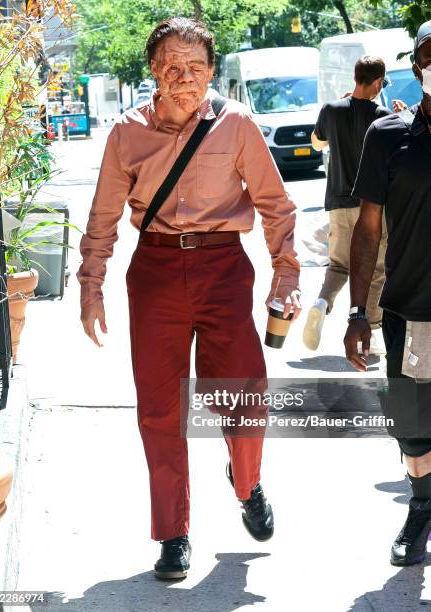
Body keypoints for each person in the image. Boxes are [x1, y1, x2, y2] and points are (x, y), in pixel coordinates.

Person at [76, 17, 301, 580]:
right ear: (153, 70)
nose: (184, 79)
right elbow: (103, 217)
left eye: (196, 68)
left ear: (211, 71)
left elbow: (276, 207)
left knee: (246, 396)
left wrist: (286, 274)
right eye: (172, 67)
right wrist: (90, 284)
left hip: (224, 267)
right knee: (161, 411)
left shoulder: (238, 126)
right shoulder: (126, 133)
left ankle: (246, 482)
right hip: (153, 272)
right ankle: (173, 533)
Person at [344, 20, 431, 566]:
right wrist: (358, 312)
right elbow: (368, 227)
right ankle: (421, 508)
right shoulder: (388, 136)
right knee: (413, 426)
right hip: (411, 309)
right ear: (417, 65)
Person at [303, 56, 391, 353]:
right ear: (377, 82)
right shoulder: (381, 114)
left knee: (339, 265)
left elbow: (317, 143)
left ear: (355, 78)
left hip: (338, 200)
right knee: (376, 267)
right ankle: (373, 328)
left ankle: (321, 303)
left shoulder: (331, 109)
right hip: (373, 205)